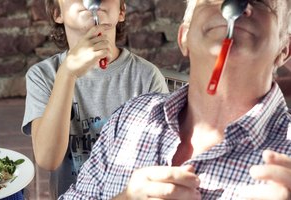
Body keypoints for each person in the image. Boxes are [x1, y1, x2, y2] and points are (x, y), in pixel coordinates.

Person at [59, 0, 291, 199]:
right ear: (184, 38)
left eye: (260, 0)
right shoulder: (128, 119)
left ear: (284, 50)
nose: (236, 5)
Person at [21, 0, 169, 198]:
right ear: (58, 13)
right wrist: (67, 73)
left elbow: (160, 161)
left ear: (121, 11)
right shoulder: (42, 76)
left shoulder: (147, 77)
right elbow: (48, 160)